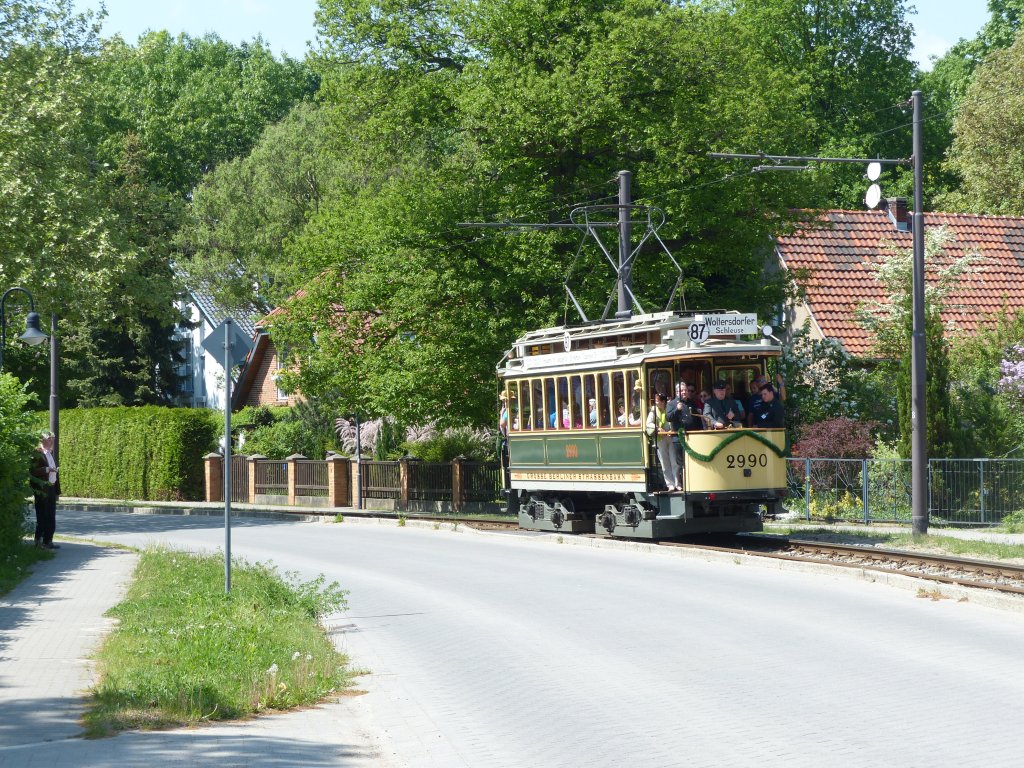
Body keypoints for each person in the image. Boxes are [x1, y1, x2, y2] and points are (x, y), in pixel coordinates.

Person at [666, 382, 700, 489]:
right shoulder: (671, 404)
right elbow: (668, 418)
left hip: (692, 437)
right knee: (681, 462)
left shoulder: (692, 403)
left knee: (693, 461)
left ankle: (693, 483)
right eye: (681, 391)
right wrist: (677, 409)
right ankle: (683, 484)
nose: (684, 392)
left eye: (685, 390)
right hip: (678, 437)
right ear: (677, 392)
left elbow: (697, 419)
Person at [30, 431, 60, 549]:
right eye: (49, 439)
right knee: (42, 515)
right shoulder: (37, 453)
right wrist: (47, 469)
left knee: (51, 515)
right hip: (42, 489)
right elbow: (33, 471)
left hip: (51, 487)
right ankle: (39, 541)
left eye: (52, 438)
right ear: (42, 440)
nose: (51, 441)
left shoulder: (50, 453)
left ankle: (48, 541)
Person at [646, 393, 681, 492]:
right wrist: (657, 428)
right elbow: (648, 423)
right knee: (665, 463)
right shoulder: (653, 411)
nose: (656, 402)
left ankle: (678, 483)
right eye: (656, 401)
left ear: (663, 402)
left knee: (674, 461)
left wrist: (672, 430)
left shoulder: (669, 408)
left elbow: (673, 419)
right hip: (660, 439)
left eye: (657, 401)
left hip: (671, 437)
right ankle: (670, 485)